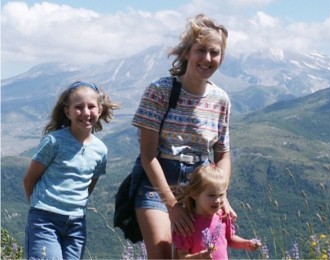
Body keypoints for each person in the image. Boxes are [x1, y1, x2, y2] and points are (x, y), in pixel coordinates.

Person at [132, 13, 236, 258]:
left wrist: (222, 194)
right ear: (187, 52)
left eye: (215, 52)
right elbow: (148, 156)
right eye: (201, 50)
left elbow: (223, 153)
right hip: (158, 184)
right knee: (161, 254)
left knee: (203, 254)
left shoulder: (221, 99)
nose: (207, 58)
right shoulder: (160, 91)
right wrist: (172, 206)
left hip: (200, 185)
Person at [23, 81, 118, 259]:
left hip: (76, 223)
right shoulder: (54, 142)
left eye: (91, 106)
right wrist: (39, 208)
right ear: (68, 112)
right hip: (45, 220)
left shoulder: (101, 150)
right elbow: (29, 179)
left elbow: (88, 186)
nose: (85, 112)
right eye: (78, 107)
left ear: (100, 109)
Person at [172, 165, 262, 259]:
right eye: (212, 195)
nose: (218, 200)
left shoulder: (222, 217)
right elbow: (182, 256)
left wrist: (246, 244)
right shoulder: (187, 224)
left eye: (221, 195)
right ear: (195, 194)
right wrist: (199, 257)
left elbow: (230, 239)